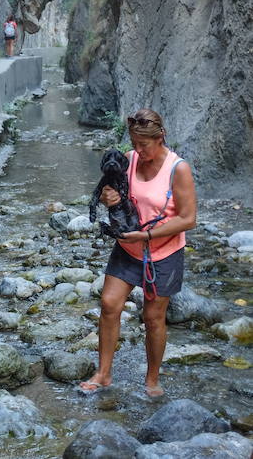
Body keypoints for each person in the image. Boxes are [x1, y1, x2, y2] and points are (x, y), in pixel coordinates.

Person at [79, 109, 196, 398]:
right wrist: (109, 198)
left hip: (163, 252)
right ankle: (104, 373)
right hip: (128, 247)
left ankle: (152, 379)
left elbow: (188, 218)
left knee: (153, 318)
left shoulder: (177, 169)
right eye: (134, 143)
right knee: (108, 304)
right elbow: (112, 193)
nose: (138, 150)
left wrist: (147, 235)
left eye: (144, 145)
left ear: (160, 138)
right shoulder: (129, 160)